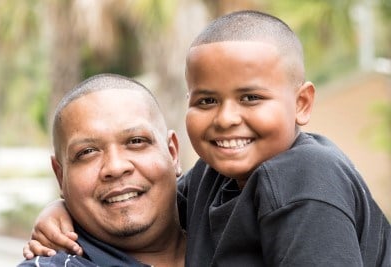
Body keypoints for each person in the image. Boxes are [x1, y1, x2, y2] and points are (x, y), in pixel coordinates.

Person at [24, 10, 391, 266]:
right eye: (207, 101)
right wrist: (63, 210)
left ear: (302, 103)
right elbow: (149, 200)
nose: (226, 119)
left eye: (251, 97)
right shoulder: (214, 177)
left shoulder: (306, 181)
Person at [18, 73, 186, 266]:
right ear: (60, 176)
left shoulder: (219, 216)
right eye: (87, 152)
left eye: (136, 141)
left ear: (172, 153)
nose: (115, 167)